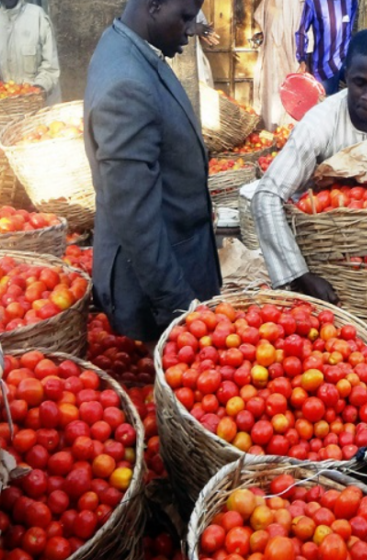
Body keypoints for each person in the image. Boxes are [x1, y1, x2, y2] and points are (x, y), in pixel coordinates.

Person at [84, 0, 221, 342]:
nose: (192, 30)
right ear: (155, 5)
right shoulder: (127, 84)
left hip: (175, 264)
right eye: (186, 17)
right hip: (153, 288)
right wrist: (178, 306)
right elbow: (134, 215)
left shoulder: (126, 46)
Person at [252, 29, 367, 304]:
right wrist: (300, 275)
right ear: (344, 79)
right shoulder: (318, 126)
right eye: (359, 83)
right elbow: (266, 197)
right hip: (323, 250)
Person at [0, 0, 61, 104]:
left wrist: (38, 88)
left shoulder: (37, 16)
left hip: (41, 104)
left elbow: (51, 66)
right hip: (10, 105)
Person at [252, 0, 302, 127]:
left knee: (291, 92)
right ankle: (272, 128)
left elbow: (307, 29)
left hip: (292, 55)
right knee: (271, 89)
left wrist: (304, 60)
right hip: (271, 54)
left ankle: (288, 130)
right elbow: (260, 21)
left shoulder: (298, 4)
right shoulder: (269, 2)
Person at [295, 0, 357, 97]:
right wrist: (302, 60)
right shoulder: (313, 2)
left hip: (345, 60)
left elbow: (349, 28)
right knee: (327, 107)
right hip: (324, 68)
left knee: (355, 100)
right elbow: (302, 32)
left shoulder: (351, 2)